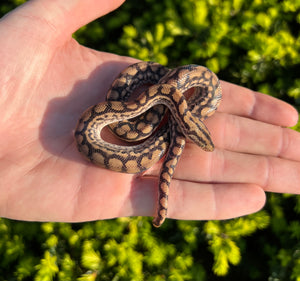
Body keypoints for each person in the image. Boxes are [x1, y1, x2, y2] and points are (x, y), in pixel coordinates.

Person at [0, 0, 299, 224]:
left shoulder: (179, 98)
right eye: (199, 137)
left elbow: (170, 105)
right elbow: (154, 109)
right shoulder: (155, 112)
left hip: (161, 98)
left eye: (198, 136)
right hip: (123, 112)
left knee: (146, 127)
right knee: (140, 128)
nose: (202, 142)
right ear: (188, 125)